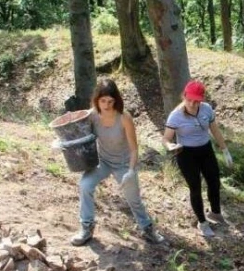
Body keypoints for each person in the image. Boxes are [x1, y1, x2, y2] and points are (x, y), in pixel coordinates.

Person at [71, 80, 165, 246]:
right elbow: (75, 130)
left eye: (110, 101)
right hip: (103, 160)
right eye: (102, 101)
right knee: (85, 185)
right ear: (96, 100)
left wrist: (131, 170)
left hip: (124, 163)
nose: (106, 105)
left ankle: (148, 228)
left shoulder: (124, 118)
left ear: (116, 100)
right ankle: (86, 227)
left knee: (133, 198)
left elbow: (134, 149)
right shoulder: (92, 115)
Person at [163, 80, 233, 237]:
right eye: (189, 100)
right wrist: (170, 147)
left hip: (206, 150)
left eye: (197, 101)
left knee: (214, 181)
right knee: (195, 187)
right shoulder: (175, 116)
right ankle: (202, 222)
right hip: (186, 153)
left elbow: (215, 131)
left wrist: (225, 151)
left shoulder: (206, 109)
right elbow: (166, 138)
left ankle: (215, 213)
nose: (193, 104)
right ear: (184, 96)